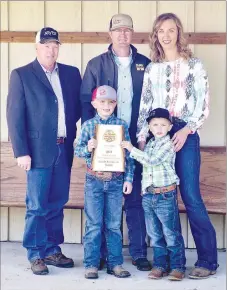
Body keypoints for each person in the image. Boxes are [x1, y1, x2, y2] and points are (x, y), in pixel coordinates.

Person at [137, 13, 218, 279]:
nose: (166, 35)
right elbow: (145, 106)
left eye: (171, 30)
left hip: (184, 133)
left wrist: (185, 130)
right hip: (157, 136)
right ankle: (168, 261)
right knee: (159, 197)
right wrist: (141, 136)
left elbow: (202, 106)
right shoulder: (152, 68)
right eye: (161, 31)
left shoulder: (194, 65)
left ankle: (207, 260)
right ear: (156, 35)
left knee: (191, 196)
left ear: (179, 33)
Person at [6, 27, 81, 275]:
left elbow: (77, 109)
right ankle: (35, 253)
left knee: (57, 202)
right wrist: (21, 151)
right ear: (37, 47)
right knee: (37, 205)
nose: (51, 49)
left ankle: (51, 250)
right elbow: (15, 116)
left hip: (63, 147)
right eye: (46, 45)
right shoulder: (22, 75)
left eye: (55, 45)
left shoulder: (71, 74)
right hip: (37, 151)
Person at [80, 13, 151, 271]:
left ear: (133, 34)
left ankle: (139, 252)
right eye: (117, 30)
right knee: (102, 205)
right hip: (104, 142)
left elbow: (151, 104)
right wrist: (92, 138)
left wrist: (144, 137)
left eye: (127, 30)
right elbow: (85, 103)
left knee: (133, 195)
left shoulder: (145, 64)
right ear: (110, 33)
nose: (122, 34)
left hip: (133, 140)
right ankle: (99, 255)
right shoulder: (96, 64)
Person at [75, 85, 134, 279]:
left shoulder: (122, 126)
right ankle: (91, 264)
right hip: (94, 180)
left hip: (116, 181)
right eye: (102, 102)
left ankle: (115, 263)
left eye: (110, 102)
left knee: (113, 224)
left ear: (115, 103)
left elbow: (129, 156)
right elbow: (77, 151)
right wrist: (88, 147)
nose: (106, 105)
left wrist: (129, 178)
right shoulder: (88, 126)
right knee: (93, 224)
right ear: (94, 104)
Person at [122, 108, 186, 281]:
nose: (159, 128)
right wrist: (143, 191)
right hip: (149, 195)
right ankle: (160, 265)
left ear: (169, 126)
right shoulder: (149, 144)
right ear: (149, 127)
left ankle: (178, 266)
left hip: (165, 194)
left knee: (171, 233)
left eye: (163, 124)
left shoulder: (168, 143)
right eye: (155, 124)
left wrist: (130, 148)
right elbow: (146, 170)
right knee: (155, 235)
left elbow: (152, 161)